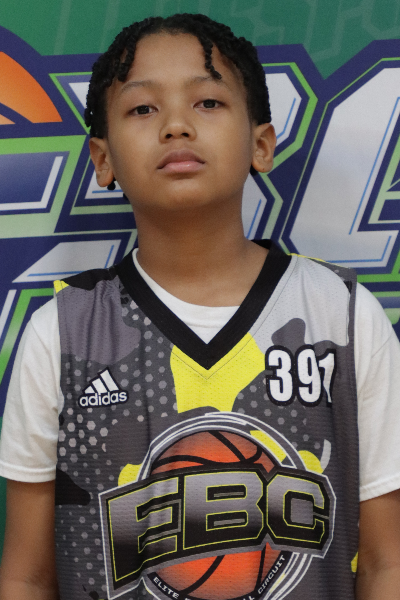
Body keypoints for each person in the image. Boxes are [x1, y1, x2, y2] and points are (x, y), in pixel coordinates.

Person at [0, 13, 400, 600]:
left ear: (261, 144)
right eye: (143, 108)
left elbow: (388, 562)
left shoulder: (343, 317)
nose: (177, 126)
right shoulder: (61, 333)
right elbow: (28, 575)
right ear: (102, 159)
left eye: (208, 102)